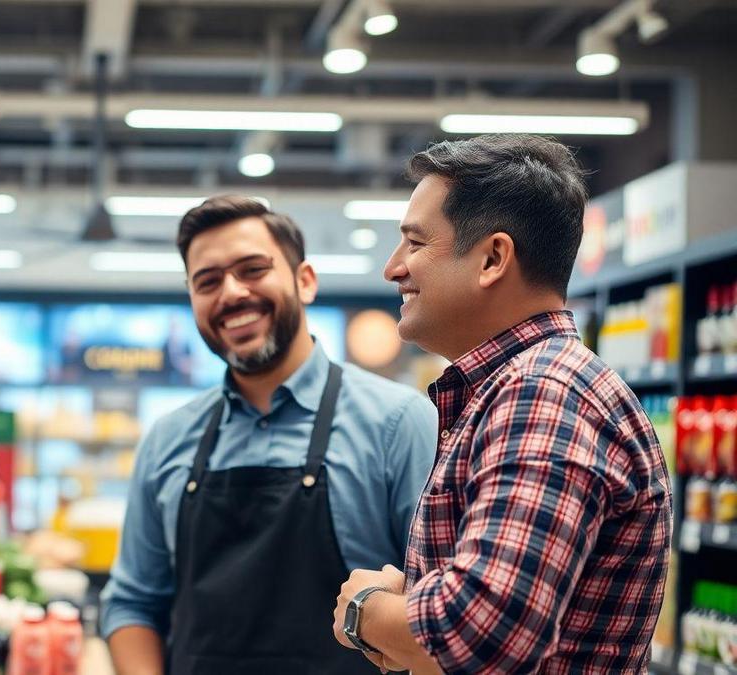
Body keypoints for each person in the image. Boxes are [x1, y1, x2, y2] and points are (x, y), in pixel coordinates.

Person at [333, 134, 672, 674]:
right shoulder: (514, 390)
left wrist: (366, 609)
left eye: (416, 244)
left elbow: (477, 636)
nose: (393, 268)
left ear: (493, 258)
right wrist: (417, 603)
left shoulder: (544, 395)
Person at [102, 195, 438, 675]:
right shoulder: (168, 439)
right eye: (207, 281)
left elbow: (438, 609)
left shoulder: (399, 423)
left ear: (305, 281)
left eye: (252, 269)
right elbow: (133, 603)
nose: (231, 293)